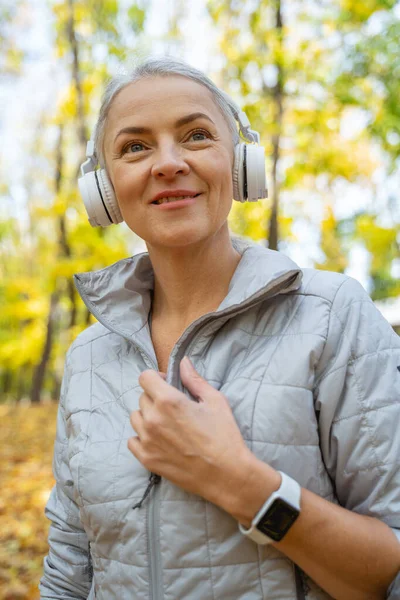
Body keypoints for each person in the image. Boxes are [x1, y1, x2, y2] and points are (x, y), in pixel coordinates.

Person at [40, 56, 400, 600]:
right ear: (105, 189)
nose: (167, 163)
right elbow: (69, 564)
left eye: (196, 135)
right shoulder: (89, 356)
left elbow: (386, 574)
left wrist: (239, 483)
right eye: (135, 146)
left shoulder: (332, 315)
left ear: (240, 164)